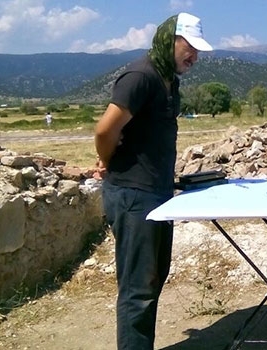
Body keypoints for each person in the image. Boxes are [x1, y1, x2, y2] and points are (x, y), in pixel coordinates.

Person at [94, 13, 212, 350]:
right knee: (138, 289)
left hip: (156, 193)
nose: (194, 56)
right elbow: (105, 130)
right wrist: (106, 160)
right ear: (169, 40)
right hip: (134, 194)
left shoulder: (167, 78)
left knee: (153, 279)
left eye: (197, 51)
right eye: (189, 47)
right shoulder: (141, 76)